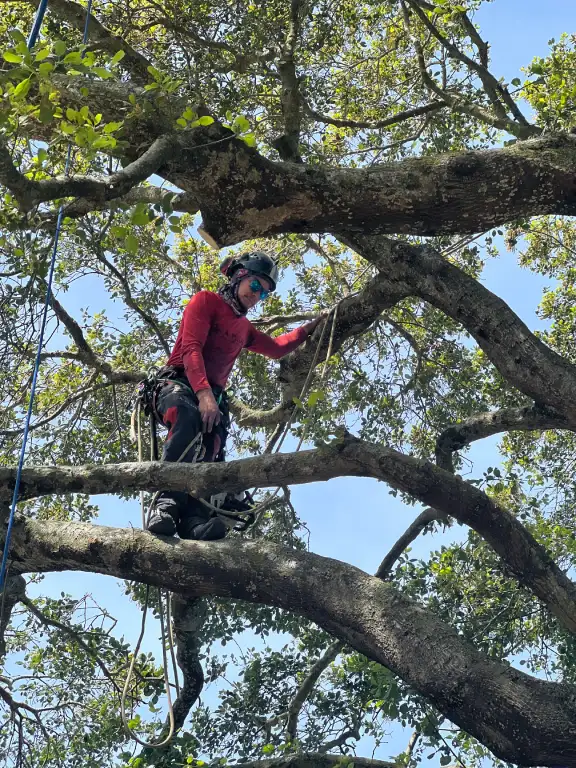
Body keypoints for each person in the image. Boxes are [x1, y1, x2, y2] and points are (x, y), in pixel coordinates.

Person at [147, 251, 324, 540]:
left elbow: (276, 348)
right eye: (255, 286)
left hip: (212, 396)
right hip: (178, 383)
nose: (257, 296)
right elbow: (191, 348)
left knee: (212, 447)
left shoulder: (243, 328)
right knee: (187, 417)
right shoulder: (205, 301)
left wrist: (309, 328)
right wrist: (203, 394)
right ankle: (165, 504)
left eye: (264, 294)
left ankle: (194, 519)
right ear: (239, 275)